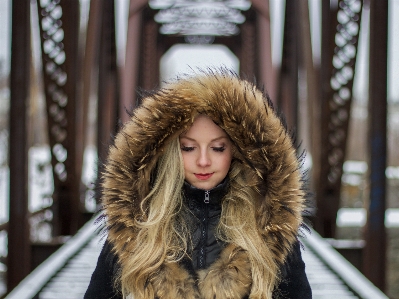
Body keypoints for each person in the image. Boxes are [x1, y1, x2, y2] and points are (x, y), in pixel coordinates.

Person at [85, 69, 312, 299]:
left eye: (218, 148)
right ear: (171, 152)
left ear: (235, 151)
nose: (203, 161)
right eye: (188, 148)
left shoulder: (269, 225)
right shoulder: (136, 222)